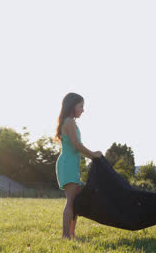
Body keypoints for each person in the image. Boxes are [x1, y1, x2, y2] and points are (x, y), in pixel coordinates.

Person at [54, 92, 102, 240]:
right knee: (71, 201)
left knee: (75, 202)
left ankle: (71, 234)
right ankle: (65, 236)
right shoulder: (69, 122)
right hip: (67, 164)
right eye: (81, 106)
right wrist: (93, 155)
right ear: (72, 106)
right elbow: (76, 145)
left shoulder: (68, 122)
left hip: (70, 164)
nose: (83, 109)